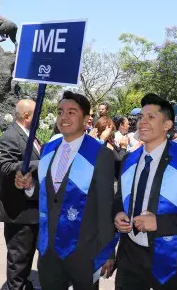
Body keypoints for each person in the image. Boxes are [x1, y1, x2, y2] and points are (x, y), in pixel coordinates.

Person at [114, 93, 177, 290]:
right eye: (141, 117)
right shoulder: (129, 160)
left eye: (151, 117)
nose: (142, 122)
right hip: (130, 256)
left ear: (167, 125)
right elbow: (119, 199)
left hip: (171, 258)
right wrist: (117, 213)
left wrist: (159, 223)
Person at [34, 91, 115, 290]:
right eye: (60, 112)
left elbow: (106, 206)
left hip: (83, 249)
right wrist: (29, 187)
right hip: (49, 248)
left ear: (87, 119)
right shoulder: (48, 148)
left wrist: (107, 252)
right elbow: (47, 195)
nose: (64, 117)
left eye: (71, 112)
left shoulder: (100, 153)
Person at [0, 99, 40, 290]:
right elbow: (5, 165)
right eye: (37, 114)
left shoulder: (29, 134)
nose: (41, 118)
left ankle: (23, 283)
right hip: (18, 212)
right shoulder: (12, 135)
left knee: (26, 256)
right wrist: (40, 164)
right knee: (18, 259)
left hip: (31, 209)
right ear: (28, 116)